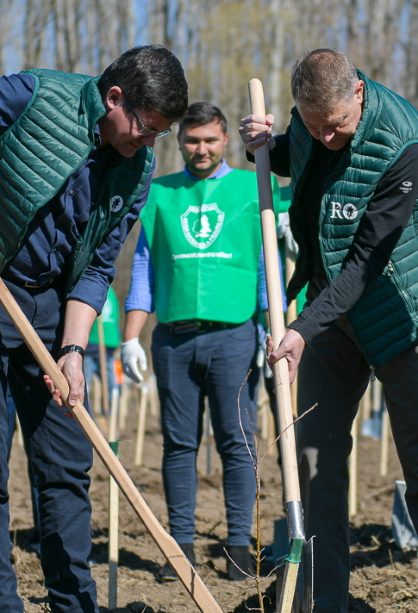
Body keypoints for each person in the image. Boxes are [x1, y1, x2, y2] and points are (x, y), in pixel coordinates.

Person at [0, 44, 189, 613]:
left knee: (65, 461)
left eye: (159, 134)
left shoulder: (136, 168)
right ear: (115, 99)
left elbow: (97, 266)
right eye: (145, 127)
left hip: (49, 305)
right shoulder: (38, 95)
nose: (148, 143)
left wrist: (74, 350)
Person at [240, 48, 418, 613]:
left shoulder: (406, 143)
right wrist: (263, 148)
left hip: (402, 314)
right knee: (316, 456)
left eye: (336, 126)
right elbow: (297, 165)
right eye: (311, 123)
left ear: (359, 92)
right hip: (332, 312)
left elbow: (367, 261)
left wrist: (300, 328)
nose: (324, 137)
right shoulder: (311, 119)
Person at [121, 101, 261, 584]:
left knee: (237, 442)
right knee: (179, 445)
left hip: (234, 335)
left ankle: (239, 546)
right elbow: (143, 265)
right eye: (192, 140)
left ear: (225, 141)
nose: (201, 149)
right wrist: (130, 338)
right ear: (178, 141)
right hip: (174, 341)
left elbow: (265, 265)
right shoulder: (159, 195)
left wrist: (269, 328)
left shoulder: (251, 187)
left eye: (210, 140)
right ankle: (179, 546)